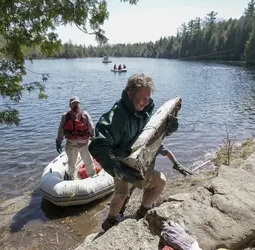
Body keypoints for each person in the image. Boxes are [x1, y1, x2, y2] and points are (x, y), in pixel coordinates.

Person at [89, 73, 179, 231]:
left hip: (141, 163)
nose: (145, 102)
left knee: (160, 182)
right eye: (142, 97)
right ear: (130, 93)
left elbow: (152, 135)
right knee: (122, 194)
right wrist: (118, 169)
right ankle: (110, 221)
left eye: (148, 98)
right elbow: (98, 145)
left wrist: (168, 129)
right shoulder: (118, 115)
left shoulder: (146, 111)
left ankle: (142, 212)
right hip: (121, 163)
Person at [118, 144, 192, 218]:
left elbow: (167, 152)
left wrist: (176, 163)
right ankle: (119, 213)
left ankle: (143, 211)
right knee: (126, 193)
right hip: (132, 172)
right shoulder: (137, 141)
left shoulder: (156, 143)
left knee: (151, 188)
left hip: (147, 174)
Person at [56, 96, 96, 180]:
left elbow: (91, 128)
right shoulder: (65, 116)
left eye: (77, 104)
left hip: (84, 143)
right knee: (71, 164)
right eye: (73, 104)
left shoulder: (85, 115)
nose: (76, 106)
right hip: (71, 144)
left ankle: (92, 177)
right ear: (70, 106)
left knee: (88, 162)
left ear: (79, 105)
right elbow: (61, 130)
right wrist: (58, 142)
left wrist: (94, 139)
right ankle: (71, 179)